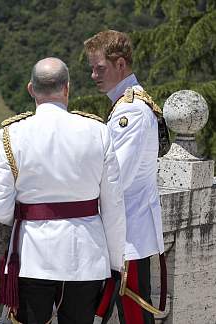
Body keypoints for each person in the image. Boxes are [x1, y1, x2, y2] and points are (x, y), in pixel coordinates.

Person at [0, 57, 126, 324]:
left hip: (33, 257)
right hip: (86, 257)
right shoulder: (98, 131)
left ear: (31, 89)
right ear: (67, 88)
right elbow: (113, 206)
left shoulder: (11, 134)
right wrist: (116, 261)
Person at [84, 30, 167, 324]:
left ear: (120, 65)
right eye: (92, 68)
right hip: (127, 231)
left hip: (127, 233)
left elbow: (117, 177)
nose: (93, 75)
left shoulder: (130, 111)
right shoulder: (126, 104)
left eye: (100, 68)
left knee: (134, 316)